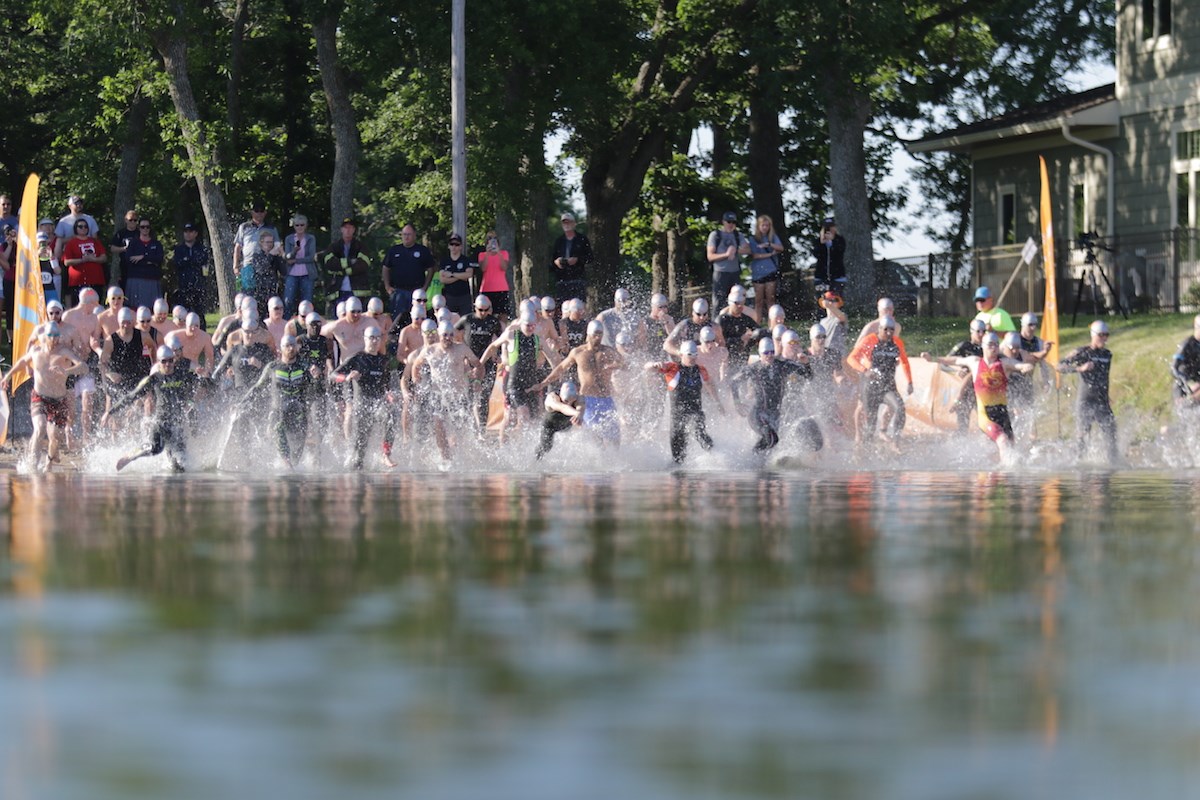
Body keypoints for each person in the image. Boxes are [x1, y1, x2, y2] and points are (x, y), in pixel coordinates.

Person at [1, 323, 88, 470]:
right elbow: (22, 362)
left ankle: (48, 462)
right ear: (44, 337)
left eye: (56, 337)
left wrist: (67, 371)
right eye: (51, 337)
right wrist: (8, 377)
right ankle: (32, 466)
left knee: (55, 437)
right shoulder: (36, 351)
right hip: (40, 397)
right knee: (40, 428)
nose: (54, 340)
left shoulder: (64, 352)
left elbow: (83, 366)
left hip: (59, 399)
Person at [103, 345, 203, 472]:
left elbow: (201, 386)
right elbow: (131, 396)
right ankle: (130, 456)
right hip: (160, 424)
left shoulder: (182, 375)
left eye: (170, 360)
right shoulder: (153, 379)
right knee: (155, 448)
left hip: (177, 424)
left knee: (181, 464)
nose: (168, 364)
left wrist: (203, 377)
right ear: (159, 362)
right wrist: (109, 412)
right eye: (164, 361)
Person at [538, 319, 626, 445]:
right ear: (588, 334)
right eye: (595, 334)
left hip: (607, 398)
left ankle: (615, 463)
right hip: (587, 400)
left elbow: (625, 364)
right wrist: (544, 383)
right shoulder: (578, 352)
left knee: (615, 438)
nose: (598, 337)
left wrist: (617, 366)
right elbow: (561, 368)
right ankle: (598, 462)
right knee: (596, 439)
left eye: (600, 334)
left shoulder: (608, 351)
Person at [480, 309, 560, 442]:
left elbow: (552, 360)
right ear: (521, 324)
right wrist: (480, 364)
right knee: (523, 417)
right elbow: (493, 346)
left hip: (532, 384)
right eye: (528, 325)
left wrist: (555, 375)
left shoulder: (538, 339)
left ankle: (522, 446)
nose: (530, 328)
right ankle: (506, 441)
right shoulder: (511, 335)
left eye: (533, 325)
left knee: (535, 421)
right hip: (515, 385)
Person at [408, 320, 482, 461]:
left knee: (459, 428)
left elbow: (478, 364)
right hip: (438, 395)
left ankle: (459, 455)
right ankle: (445, 457)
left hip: (458, 395)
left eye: (450, 335)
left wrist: (477, 379)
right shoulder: (430, 350)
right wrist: (415, 379)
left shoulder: (462, 349)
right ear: (438, 335)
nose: (448, 338)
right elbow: (416, 365)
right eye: (444, 335)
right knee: (438, 424)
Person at [644, 340, 723, 463]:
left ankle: (720, 459)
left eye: (695, 355)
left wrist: (718, 403)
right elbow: (647, 367)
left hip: (696, 412)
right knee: (678, 458)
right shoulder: (673, 368)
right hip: (678, 418)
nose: (693, 358)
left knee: (700, 433)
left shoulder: (701, 370)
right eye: (689, 355)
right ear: (681, 355)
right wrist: (654, 364)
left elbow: (709, 384)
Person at [243, 333, 313, 468]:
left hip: (298, 412)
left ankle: (293, 467)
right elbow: (257, 387)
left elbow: (315, 390)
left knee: (297, 452)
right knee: (278, 429)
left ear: (296, 347)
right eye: (287, 346)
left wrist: (316, 378)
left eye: (292, 345)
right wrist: (242, 403)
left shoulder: (304, 367)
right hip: (278, 411)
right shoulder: (272, 367)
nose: (290, 349)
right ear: (280, 349)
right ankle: (286, 464)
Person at [333, 325, 397, 470]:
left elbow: (386, 383)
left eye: (377, 338)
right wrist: (347, 377)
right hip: (362, 406)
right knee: (359, 454)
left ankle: (386, 453)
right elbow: (333, 376)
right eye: (371, 338)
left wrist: (389, 393)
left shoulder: (383, 360)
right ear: (365, 339)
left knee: (391, 416)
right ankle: (354, 475)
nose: (374, 341)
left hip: (378, 403)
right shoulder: (357, 358)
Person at [739, 337, 817, 453]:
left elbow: (808, 376)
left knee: (771, 443)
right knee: (771, 438)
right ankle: (752, 456)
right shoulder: (754, 368)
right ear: (760, 354)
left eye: (771, 352)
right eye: (766, 353)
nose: (769, 356)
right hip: (758, 414)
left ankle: (758, 460)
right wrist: (737, 402)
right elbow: (734, 382)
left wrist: (806, 364)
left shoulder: (782, 365)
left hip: (774, 415)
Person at [1058, 320, 1118, 461]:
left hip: (1102, 400)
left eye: (1106, 335)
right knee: (1083, 435)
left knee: (1111, 432)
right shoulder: (1082, 352)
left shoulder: (1107, 354)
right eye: (1101, 335)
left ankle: (1113, 463)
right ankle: (1078, 464)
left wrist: (1107, 395)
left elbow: (1105, 376)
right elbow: (1059, 366)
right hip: (1085, 400)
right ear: (1093, 335)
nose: (1104, 338)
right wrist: (1079, 368)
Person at [849, 316, 913, 446]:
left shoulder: (897, 342)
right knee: (871, 424)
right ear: (879, 329)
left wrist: (910, 381)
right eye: (886, 330)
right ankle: (865, 449)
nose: (889, 333)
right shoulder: (870, 340)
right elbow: (851, 358)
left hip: (888, 386)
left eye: (892, 330)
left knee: (899, 408)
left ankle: (896, 442)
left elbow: (905, 361)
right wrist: (864, 370)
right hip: (870, 387)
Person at [455, 294, 503, 431]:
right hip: (470, 362)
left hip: (487, 362)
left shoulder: (493, 322)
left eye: (486, 310)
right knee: (469, 395)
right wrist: (461, 351)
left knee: (484, 396)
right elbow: (452, 333)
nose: (483, 313)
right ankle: (469, 427)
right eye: (480, 310)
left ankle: (481, 428)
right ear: (475, 307)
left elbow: (502, 340)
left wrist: (498, 354)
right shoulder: (467, 319)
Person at [318, 217, 373, 315]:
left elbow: (363, 264)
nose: (348, 230)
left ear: (354, 230)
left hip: (357, 290)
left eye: (350, 227)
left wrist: (342, 268)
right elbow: (329, 263)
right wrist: (350, 262)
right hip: (338, 290)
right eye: (345, 227)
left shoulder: (361, 246)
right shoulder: (334, 246)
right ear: (341, 230)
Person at [382, 223, 436, 318]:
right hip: (398, 292)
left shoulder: (422, 250)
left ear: (414, 235)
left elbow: (431, 269)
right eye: (404, 234)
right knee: (397, 320)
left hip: (416, 291)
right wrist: (387, 286)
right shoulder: (394, 250)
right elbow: (386, 268)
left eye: (409, 234)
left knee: (417, 319)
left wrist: (425, 287)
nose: (406, 237)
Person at [60, 218, 108, 308]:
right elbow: (67, 262)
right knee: (79, 308)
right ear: (76, 228)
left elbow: (104, 257)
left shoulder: (95, 241)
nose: (83, 228)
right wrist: (82, 260)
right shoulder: (71, 243)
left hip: (96, 281)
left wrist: (93, 259)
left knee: (96, 307)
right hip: (77, 282)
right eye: (80, 226)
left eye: (85, 226)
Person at [707, 211, 749, 310]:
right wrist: (726, 254)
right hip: (720, 273)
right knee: (719, 302)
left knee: (736, 301)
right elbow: (710, 256)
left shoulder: (738, 235)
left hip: (734, 272)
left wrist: (736, 250)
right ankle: (717, 323)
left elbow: (748, 249)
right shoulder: (715, 235)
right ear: (723, 222)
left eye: (733, 222)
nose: (731, 224)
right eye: (728, 222)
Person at [232, 200, 278, 288]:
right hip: (248, 265)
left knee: (265, 295)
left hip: (267, 267)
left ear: (265, 213)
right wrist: (235, 266)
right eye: (256, 211)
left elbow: (277, 247)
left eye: (261, 211)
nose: (259, 213)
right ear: (252, 212)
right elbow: (237, 248)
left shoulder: (271, 228)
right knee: (248, 294)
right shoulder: (244, 227)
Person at [550, 212, 592, 306]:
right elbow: (551, 262)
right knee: (563, 307)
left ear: (574, 224)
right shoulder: (559, 241)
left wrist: (577, 260)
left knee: (578, 307)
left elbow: (590, 258)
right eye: (564, 223)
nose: (567, 225)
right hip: (562, 280)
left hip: (578, 279)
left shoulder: (582, 239)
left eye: (569, 222)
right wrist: (557, 262)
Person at [535, 380, 585, 460]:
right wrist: (577, 413)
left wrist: (580, 414)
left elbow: (581, 407)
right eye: (566, 401)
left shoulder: (579, 398)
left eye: (571, 400)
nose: (568, 403)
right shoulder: (552, 398)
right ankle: (536, 460)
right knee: (546, 446)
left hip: (566, 425)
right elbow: (562, 408)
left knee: (580, 439)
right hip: (550, 425)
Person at [123, 217, 165, 309]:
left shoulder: (156, 244)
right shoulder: (133, 243)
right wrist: (150, 261)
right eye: (142, 227)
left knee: (153, 308)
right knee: (134, 308)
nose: (145, 229)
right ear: (139, 228)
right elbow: (129, 260)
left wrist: (142, 257)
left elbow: (159, 259)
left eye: (147, 227)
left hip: (152, 279)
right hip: (135, 279)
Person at [171, 222, 212, 317]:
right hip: (184, 286)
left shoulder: (201, 249)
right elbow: (177, 263)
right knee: (184, 313)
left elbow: (203, 262)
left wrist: (187, 260)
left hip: (198, 286)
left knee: (199, 313)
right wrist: (191, 261)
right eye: (185, 231)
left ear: (195, 233)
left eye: (190, 231)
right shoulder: (179, 249)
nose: (187, 234)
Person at [244, 230, 286, 319]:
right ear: (261, 243)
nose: (269, 244)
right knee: (261, 316)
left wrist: (282, 256)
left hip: (272, 290)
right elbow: (261, 269)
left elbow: (284, 271)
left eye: (271, 242)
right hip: (260, 291)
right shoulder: (256, 255)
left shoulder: (275, 257)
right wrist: (270, 255)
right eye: (267, 242)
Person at [283, 214, 319, 316]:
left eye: (302, 225)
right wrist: (294, 251)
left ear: (306, 225)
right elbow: (288, 257)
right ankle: (286, 322)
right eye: (297, 225)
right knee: (288, 300)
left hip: (307, 274)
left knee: (307, 301)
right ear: (293, 226)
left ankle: (308, 323)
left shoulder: (310, 238)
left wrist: (295, 261)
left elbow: (311, 257)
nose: (299, 227)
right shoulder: (289, 239)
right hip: (292, 273)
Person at [748, 214, 784, 314]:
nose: (765, 228)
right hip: (758, 273)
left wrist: (769, 244)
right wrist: (770, 254)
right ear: (758, 226)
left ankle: (772, 322)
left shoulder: (772, 237)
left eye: (767, 225)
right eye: (763, 225)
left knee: (770, 300)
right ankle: (756, 324)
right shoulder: (753, 239)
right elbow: (755, 255)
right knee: (758, 301)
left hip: (770, 271)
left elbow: (781, 248)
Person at [716, 285, 759, 368]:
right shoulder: (722, 319)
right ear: (730, 303)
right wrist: (740, 339)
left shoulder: (745, 318)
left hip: (741, 354)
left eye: (742, 303)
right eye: (736, 303)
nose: (740, 306)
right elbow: (719, 342)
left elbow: (758, 330)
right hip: (725, 357)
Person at [477, 229, 511, 322]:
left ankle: (502, 333)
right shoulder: (482, 255)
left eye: (495, 238)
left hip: (501, 288)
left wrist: (498, 253)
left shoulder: (504, 253)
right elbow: (483, 268)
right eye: (490, 238)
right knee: (485, 315)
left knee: (503, 315)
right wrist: (488, 253)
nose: (492, 240)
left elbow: (504, 267)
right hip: (487, 289)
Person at [439, 233, 475, 316]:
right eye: (452, 244)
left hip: (464, 296)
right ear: (448, 246)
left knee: (466, 320)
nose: (454, 247)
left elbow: (469, 274)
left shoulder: (466, 260)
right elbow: (442, 279)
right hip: (449, 296)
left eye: (457, 244)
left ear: (461, 246)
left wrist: (452, 274)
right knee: (450, 320)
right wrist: (460, 276)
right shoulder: (444, 261)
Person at [53, 195, 100, 260]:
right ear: (70, 206)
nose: (79, 205)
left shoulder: (90, 219)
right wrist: (74, 238)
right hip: (70, 255)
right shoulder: (63, 222)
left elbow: (95, 238)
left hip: (88, 254)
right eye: (76, 203)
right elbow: (58, 241)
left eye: (80, 203)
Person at [812, 217, 846, 293]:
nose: (829, 230)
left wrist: (833, 241)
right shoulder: (818, 241)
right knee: (822, 300)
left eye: (831, 227)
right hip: (821, 276)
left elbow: (840, 252)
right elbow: (816, 254)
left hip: (837, 276)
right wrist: (821, 243)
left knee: (836, 299)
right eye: (827, 228)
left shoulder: (840, 240)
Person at [1171, 314, 1200, 405]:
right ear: (1196, 328)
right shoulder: (1187, 344)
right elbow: (1173, 368)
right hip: (1183, 384)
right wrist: (1184, 382)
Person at [109, 210, 140, 287]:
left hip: (139, 265)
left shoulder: (140, 233)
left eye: (135, 220)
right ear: (126, 220)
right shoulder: (121, 233)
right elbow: (112, 248)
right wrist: (124, 249)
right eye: (130, 220)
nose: (132, 222)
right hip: (124, 265)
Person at [36, 231, 61, 304]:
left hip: (50, 289)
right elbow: (31, 270)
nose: (42, 245)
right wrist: (37, 255)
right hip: (37, 289)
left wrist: (51, 257)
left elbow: (58, 271)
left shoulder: (51, 257)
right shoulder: (32, 257)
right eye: (40, 243)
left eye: (44, 243)